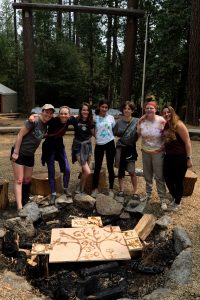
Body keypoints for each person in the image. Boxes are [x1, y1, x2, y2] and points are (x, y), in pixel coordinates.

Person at [11, 104, 55, 217]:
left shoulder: (46, 123)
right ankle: (19, 207)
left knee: (27, 179)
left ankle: (25, 201)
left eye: (51, 113)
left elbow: (64, 117)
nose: (48, 114)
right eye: (46, 112)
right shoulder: (34, 121)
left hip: (30, 154)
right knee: (19, 180)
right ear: (42, 111)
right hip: (19, 152)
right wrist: (16, 152)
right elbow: (20, 134)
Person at [137, 101, 167, 210]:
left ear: (156, 109)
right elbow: (139, 134)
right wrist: (139, 121)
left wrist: (163, 148)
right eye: (147, 108)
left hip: (158, 152)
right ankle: (148, 194)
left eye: (151, 108)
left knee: (159, 176)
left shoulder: (161, 121)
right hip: (145, 151)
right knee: (147, 175)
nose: (149, 110)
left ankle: (162, 198)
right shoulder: (142, 121)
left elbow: (167, 135)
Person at [162, 105, 192, 211]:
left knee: (178, 180)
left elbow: (187, 142)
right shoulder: (166, 125)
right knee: (167, 177)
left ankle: (177, 202)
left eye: (168, 112)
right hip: (168, 156)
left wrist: (189, 158)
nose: (166, 114)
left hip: (180, 157)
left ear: (172, 112)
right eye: (164, 113)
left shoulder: (179, 125)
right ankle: (176, 196)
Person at [40, 106, 72, 204]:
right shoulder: (53, 120)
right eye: (61, 113)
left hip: (59, 147)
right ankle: (53, 193)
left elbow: (81, 118)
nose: (63, 115)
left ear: (69, 115)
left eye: (65, 113)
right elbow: (43, 118)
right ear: (58, 114)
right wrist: (33, 116)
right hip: (49, 147)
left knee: (67, 169)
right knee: (51, 170)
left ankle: (65, 188)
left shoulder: (69, 120)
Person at [113, 101, 138, 197]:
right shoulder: (118, 122)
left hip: (130, 148)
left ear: (132, 110)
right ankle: (121, 190)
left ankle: (135, 191)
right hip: (120, 148)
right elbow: (113, 133)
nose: (126, 110)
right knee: (121, 170)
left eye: (129, 109)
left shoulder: (136, 121)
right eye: (125, 108)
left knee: (132, 170)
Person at [91, 100, 116, 197]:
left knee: (110, 166)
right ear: (99, 107)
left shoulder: (111, 118)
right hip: (99, 145)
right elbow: (92, 130)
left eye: (106, 107)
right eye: (102, 107)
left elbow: (113, 129)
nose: (104, 109)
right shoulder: (95, 118)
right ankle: (95, 188)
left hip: (110, 143)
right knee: (97, 167)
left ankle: (111, 189)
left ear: (108, 108)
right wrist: (97, 137)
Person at [71, 102, 95, 194]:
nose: (85, 111)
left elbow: (94, 134)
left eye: (87, 110)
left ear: (89, 111)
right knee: (87, 171)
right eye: (83, 110)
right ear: (80, 111)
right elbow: (61, 118)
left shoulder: (91, 122)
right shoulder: (75, 120)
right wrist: (35, 116)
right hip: (78, 147)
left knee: (84, 170)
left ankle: (82, 188)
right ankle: (79, 188)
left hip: (88, 147)